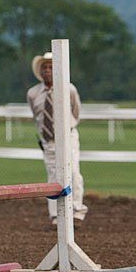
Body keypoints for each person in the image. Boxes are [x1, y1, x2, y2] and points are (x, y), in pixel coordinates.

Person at [26, 52, 88, 228]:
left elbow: (76, 111)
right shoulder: (33, 93)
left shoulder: (69, 89)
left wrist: (68, 126)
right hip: (48, 140)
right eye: (44, 67)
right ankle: (56, 217)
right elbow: (36, 115)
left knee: (74, 173)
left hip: (68, 136)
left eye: (51, 67)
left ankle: (77, 213)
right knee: (53, 178)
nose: (47, 71)